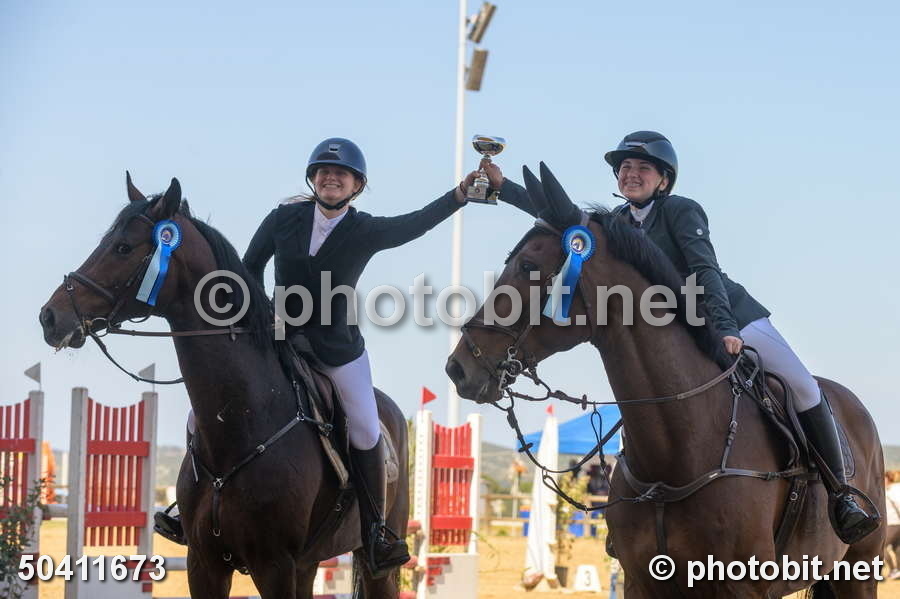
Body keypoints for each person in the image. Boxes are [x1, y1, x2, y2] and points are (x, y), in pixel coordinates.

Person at [471, 131, 878, 545]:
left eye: (642, 168)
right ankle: (635, 510)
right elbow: (564, 218)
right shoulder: (616, 223)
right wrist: (503, 188)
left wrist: (725, 327)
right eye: (625, 167)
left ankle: (842, 495)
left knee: (802, 385)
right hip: (672, 327)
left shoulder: (681, 211)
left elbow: (705, 269)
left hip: (726, 313)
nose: (631, 174)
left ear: (663, 179)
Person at [156, 138, 469, 577]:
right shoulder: (283, 219)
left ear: (357, 185)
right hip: (278, 342)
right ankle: (189, 509)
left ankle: (376, 532)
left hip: (337, 351)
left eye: (341, 173)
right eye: (323, 171)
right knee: (199, 415)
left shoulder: (365, 229)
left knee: (365, 427)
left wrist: (459, 195)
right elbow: (249, 269)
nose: (330, 177)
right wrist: (257, 317)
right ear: (312, 179)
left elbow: (415, 223)